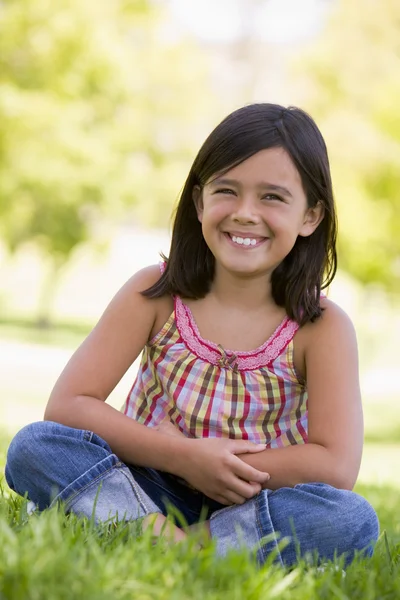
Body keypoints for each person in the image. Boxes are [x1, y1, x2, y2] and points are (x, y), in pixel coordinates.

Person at [5, 103, 379, 567]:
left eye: (272, 197)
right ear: (200, 202)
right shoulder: (155, 293)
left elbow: (335, 465)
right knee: (35, 447)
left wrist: (219, 467)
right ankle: (166, 535)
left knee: (350, 520)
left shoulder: (321, 327)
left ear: (311, 216)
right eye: (227, 190)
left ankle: (175, 541)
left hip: (250, 502)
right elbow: (68, 406)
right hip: (142, 482)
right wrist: (182, 457)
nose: (245, 213)